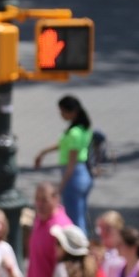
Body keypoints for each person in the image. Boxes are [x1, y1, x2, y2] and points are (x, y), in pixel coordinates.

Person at [33, 94, 93, 230]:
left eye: (62, 111)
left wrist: (60, 187)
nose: (61, 115)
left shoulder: (74, 133)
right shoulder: (82, 129)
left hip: (74, 176)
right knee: (80, 214)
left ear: (71, 111)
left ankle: (78, 247)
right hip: (84, 174)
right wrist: (43, 152)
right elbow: (63, 145)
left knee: (74, 220)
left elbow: (71, 162)